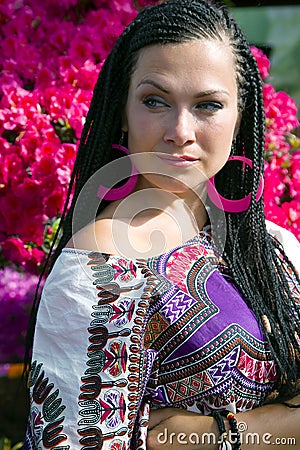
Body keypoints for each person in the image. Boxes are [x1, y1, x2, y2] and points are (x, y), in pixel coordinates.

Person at [23, 0, 300, 449]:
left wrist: (210, 435)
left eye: (208, 105)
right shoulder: (97, 275)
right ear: (122, 111)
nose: (180, 130)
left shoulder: (273, 247)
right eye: (155, 101)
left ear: (239, 119)